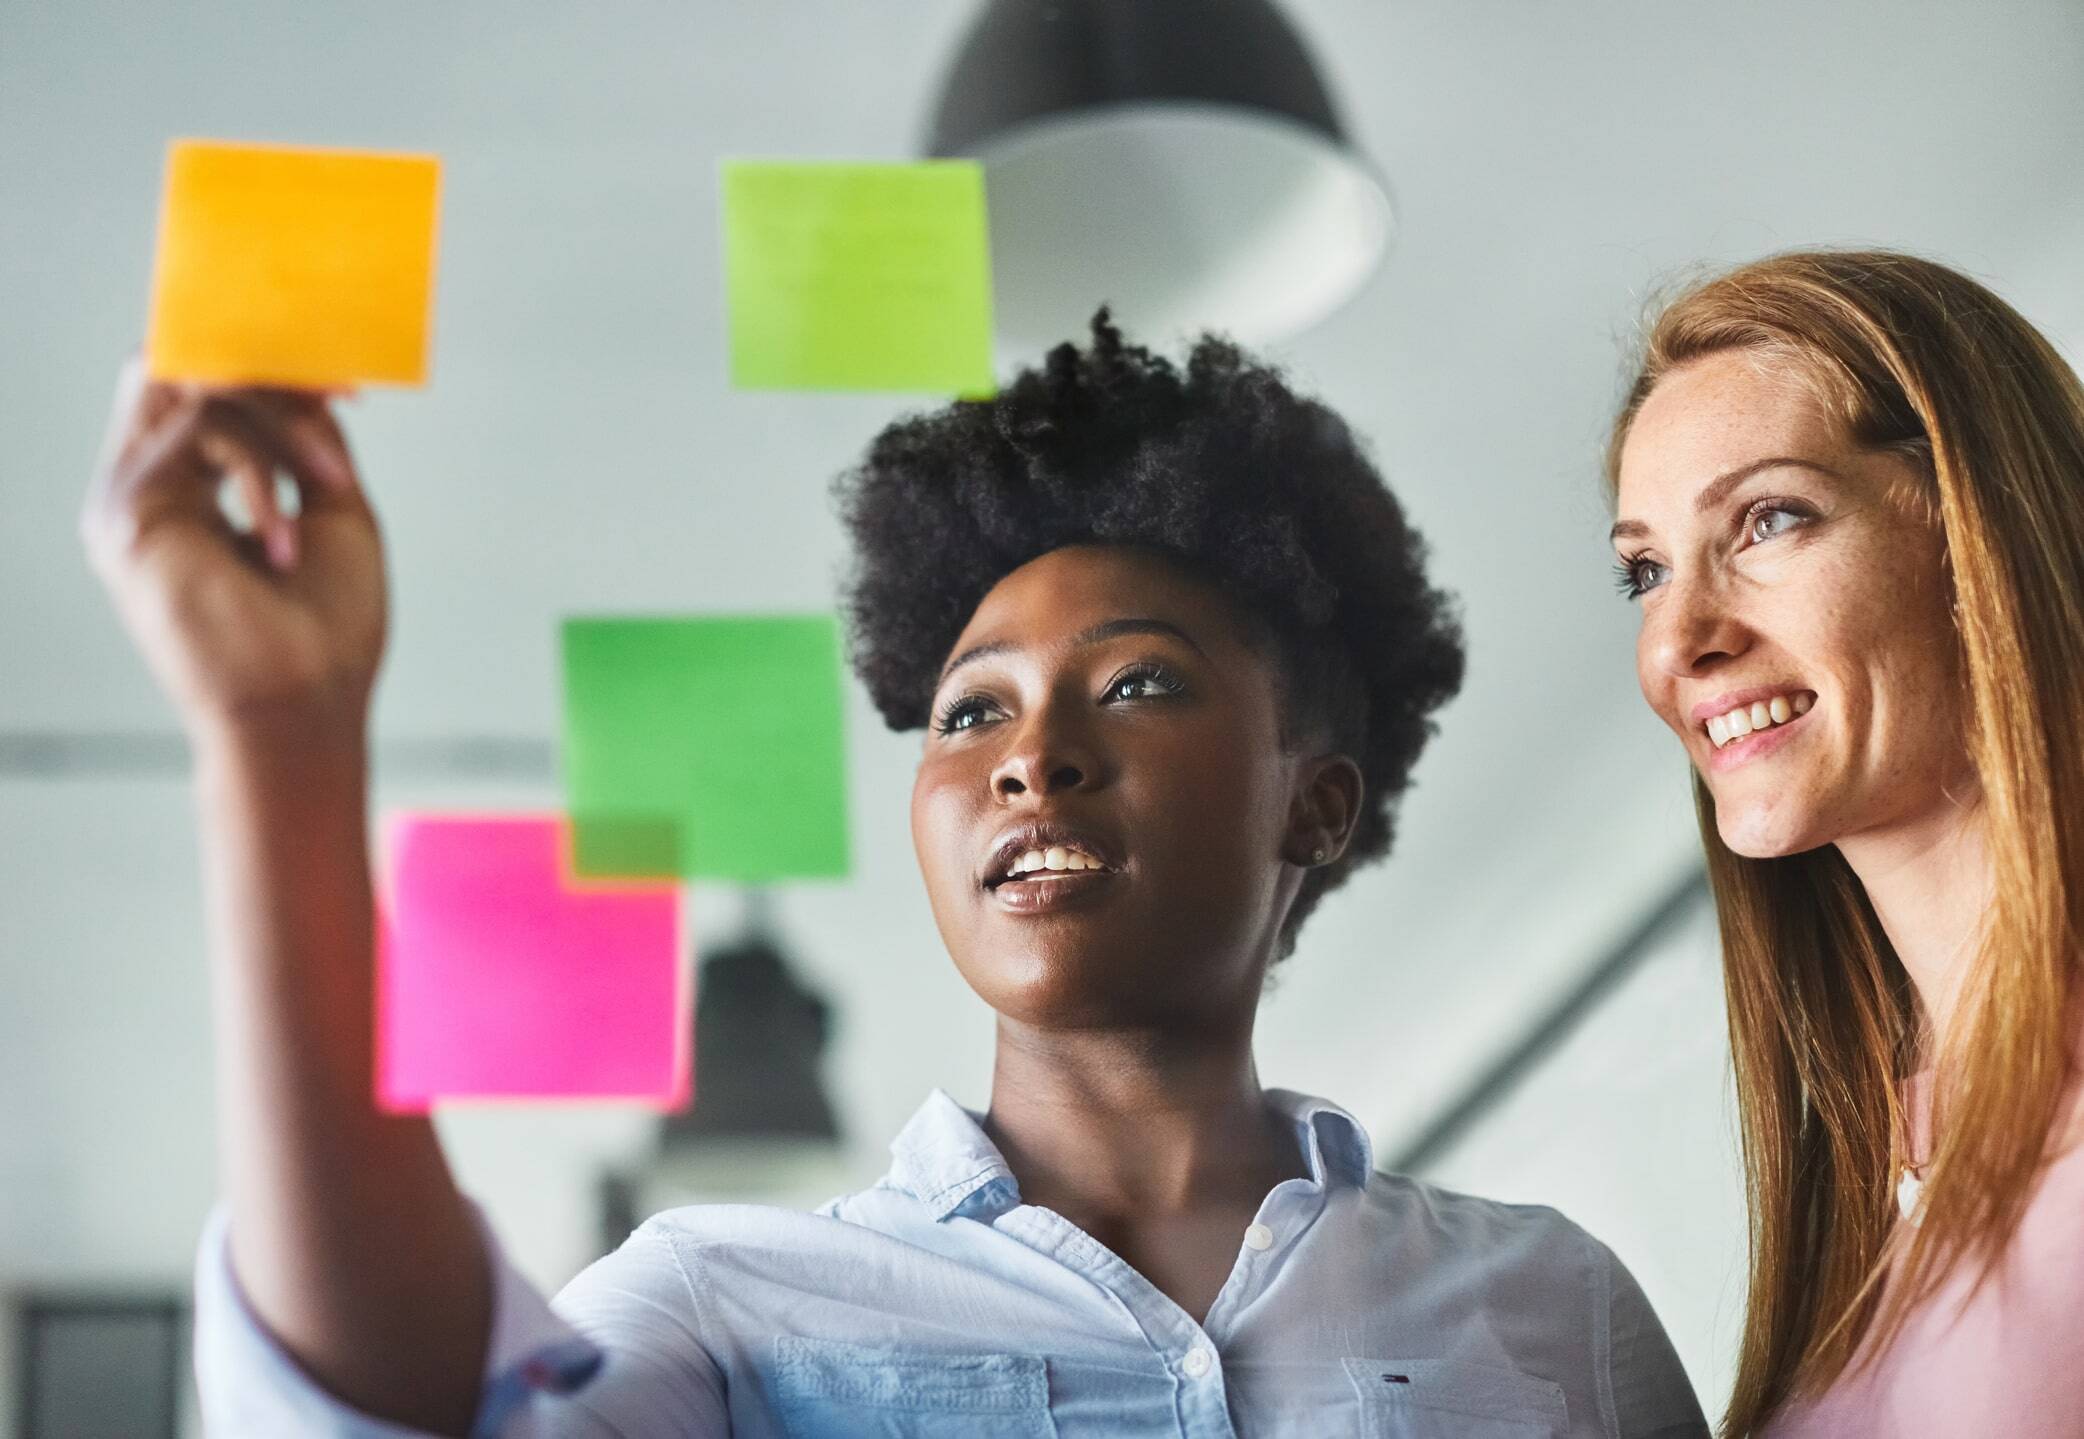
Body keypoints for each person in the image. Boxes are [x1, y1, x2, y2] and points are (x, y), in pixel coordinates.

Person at [86, 314, 1706, 1436]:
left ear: (1318, 802)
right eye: (968, 710)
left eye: (1136, 682)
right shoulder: (724, 1302)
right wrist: (281, 733)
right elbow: (394, 1415)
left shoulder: (1550, 1303)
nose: (1028, 752)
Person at [1604, 250, 2084, 1437]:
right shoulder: (1866, 1188)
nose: (1679, 641)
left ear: (1976, 529)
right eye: (1644, 572)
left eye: (1767, 519)